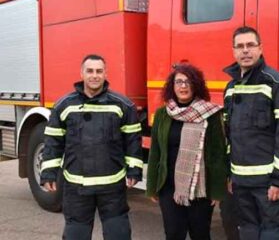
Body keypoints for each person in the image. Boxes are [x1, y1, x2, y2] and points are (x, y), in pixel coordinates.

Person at [40, 54, 143, 240]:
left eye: (99, 71)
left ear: (105, 73)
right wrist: (48, 173)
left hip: (112, 186)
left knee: (118, 234)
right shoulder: (64, 105)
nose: (94, 75)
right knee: (76, 234)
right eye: (90, 71)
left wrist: (134, 170)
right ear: (81, 73)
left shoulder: (123, 105)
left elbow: (132, 140)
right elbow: (53, 142)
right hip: (76, 187)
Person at [223, 26, 279, 239]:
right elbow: (229, 135)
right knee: (247, 230)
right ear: (234, 51)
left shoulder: (277, 83)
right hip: (240, 181)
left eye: (250, 45)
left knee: (273, 232)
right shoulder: (230, 87)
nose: (245, 51)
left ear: (260, 48)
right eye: (240, 46)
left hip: (267, 183)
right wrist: (230, 175)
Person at [146, 64, 228, 240]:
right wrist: (152, 186)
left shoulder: (210, 114)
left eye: (188, 82)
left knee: (200, 234)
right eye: (179, 82)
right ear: (172, 86)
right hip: (168, 187)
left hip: (201, 189)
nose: (183, 86)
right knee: (173, 234)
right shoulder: (163, 114)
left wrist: (217, 190)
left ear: (196, 85)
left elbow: (217, 153)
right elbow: (155, 153)